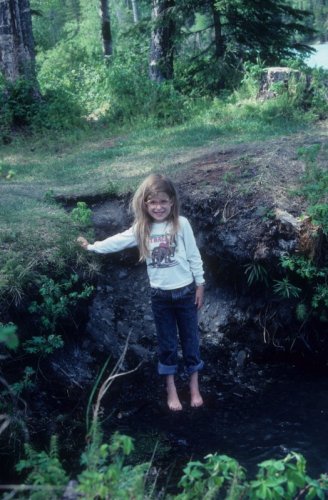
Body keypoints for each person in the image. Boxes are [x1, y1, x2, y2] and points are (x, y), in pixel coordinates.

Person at [77, 173, 205, 411]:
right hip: (161, 297)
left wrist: (200, 285)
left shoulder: (181, 224)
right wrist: (92, 247)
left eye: (163, 202)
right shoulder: (142, 228)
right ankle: (171, 388)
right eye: (153, 202)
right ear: (145, 204)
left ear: (172, 202)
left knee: (191, 340)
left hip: (185, 292)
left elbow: (194, 256)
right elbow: (118, 241)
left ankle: (194, 387)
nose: (158, 207)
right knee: (167, 344)